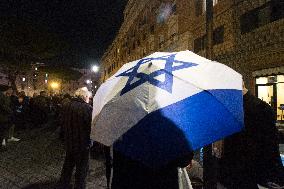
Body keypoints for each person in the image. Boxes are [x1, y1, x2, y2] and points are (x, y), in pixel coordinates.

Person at [219, 82, 284, 188]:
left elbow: (269, 145)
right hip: (250, 173)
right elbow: (271, 145)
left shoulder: (257, 109)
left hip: (244, 174)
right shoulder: (260, 108)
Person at [107, 146, 193, 189]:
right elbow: (183, 160)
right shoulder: (169, 127)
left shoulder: (120, 126)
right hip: (162, 183)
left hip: (128, 182)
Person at [58, 87, 92, 189]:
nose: (89, 99)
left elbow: (62, 123)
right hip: (82, 144)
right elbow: (91, 127)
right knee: (82, 169)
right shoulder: (87, 108)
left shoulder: (66, 106)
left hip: (69, 142)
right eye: (88, 97)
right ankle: (79, 186)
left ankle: (63, 184)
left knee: (68, 165)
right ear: (84, 96)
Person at [0, 87, 12, 151]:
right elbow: (4, 106)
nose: (11, 91)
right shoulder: (2, 96)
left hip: (3, 116)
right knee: (2, 132)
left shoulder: (4, 96)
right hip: (2, 117)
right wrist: (10, 111)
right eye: (10, 89)